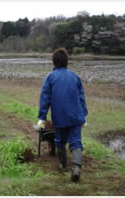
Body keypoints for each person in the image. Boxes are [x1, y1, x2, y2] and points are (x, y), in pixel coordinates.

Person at [37, 48, 88, 182]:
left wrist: (42, 118)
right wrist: (84, 115)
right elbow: (81, 98)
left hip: (60, 117)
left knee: (60, 141)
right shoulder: (75, 77)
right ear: (66, 61)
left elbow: (45, 99)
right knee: (76, 141)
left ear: (54, 62)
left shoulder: (50, 78)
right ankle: (76, 167)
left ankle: (63, 165)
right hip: (76, 116)